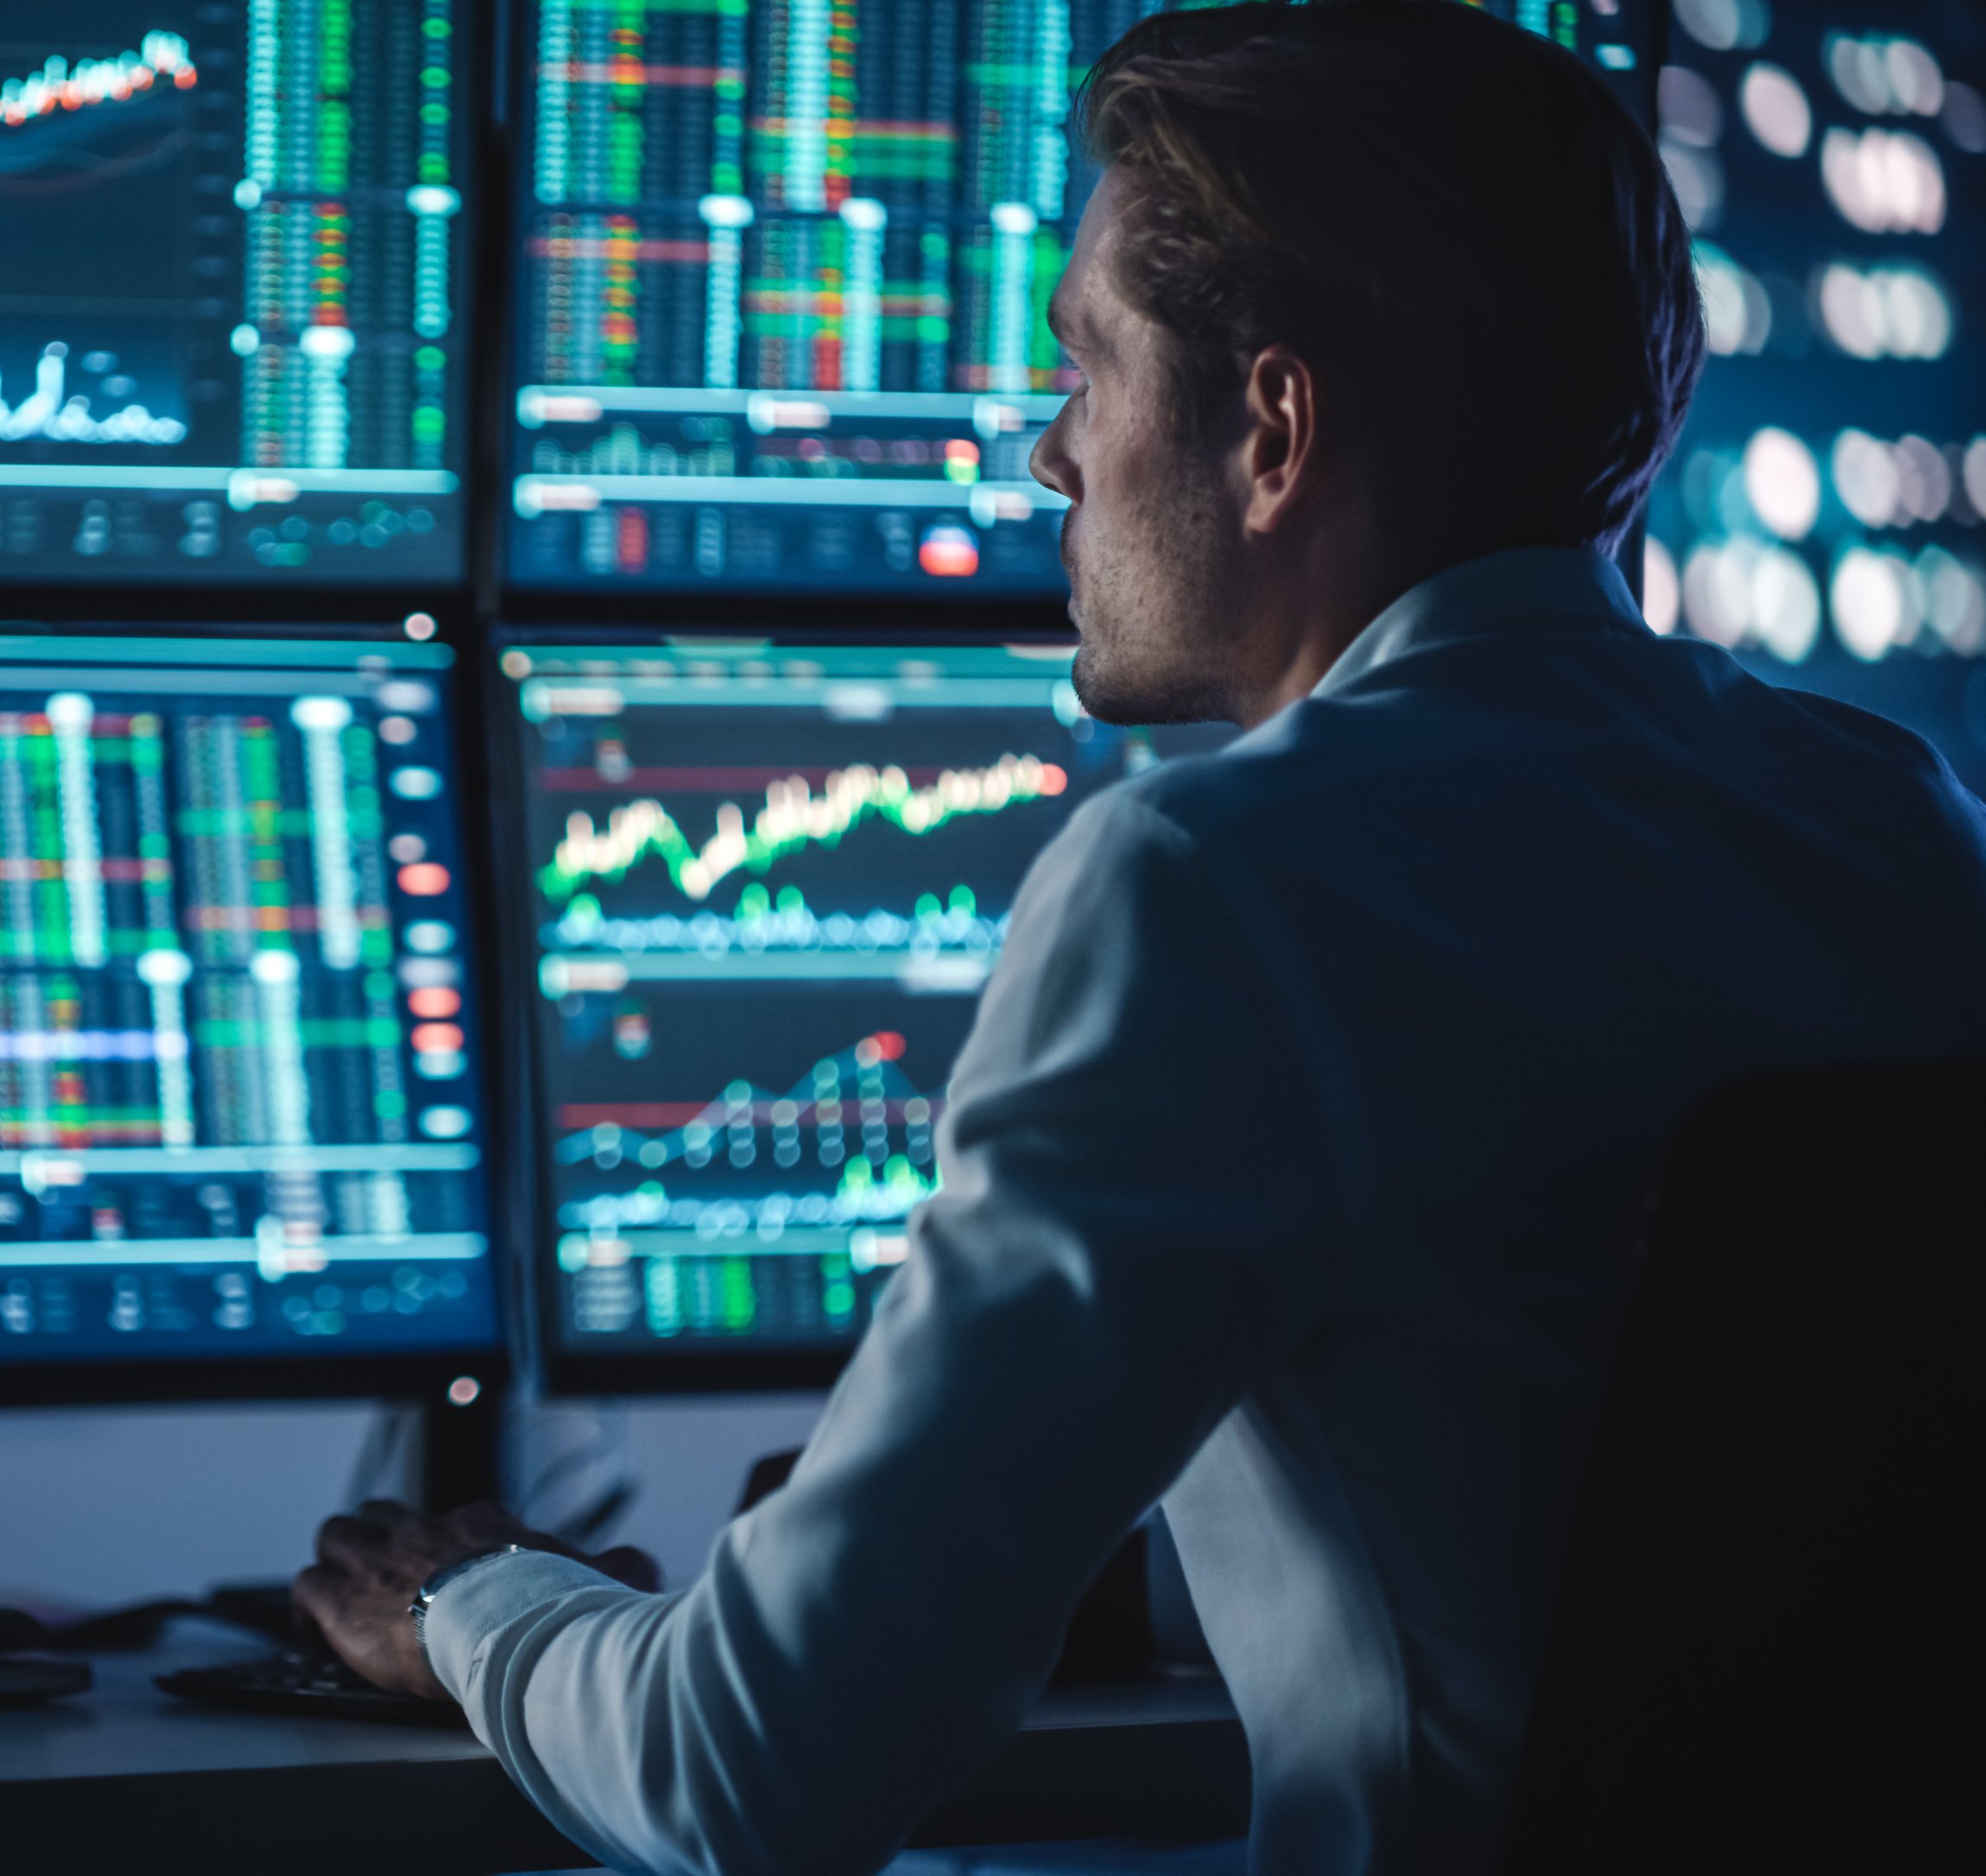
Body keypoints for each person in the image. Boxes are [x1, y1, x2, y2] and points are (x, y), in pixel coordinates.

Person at [293, 5, 1986, 1870]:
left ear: (1273, 427)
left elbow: (747, 1774)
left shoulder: (1215, 879)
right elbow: (1616, 1514)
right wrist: (1153, 1557)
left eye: (1086, 367)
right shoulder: (1893, 822)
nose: (1049, 454)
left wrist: (469, 1606)